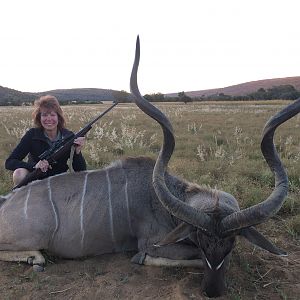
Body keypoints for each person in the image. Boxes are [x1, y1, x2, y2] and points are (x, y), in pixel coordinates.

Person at [5, 95, 87, 186]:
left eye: (52, 115)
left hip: (59, 180)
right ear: (39, 118)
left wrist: (77, 152)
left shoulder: (68, 136)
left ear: (58, 117)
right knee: (19, 173)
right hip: (36, 180)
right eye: (44, 115)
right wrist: (34, 166)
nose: (49, 119)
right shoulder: (32, 135)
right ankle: (22, 198)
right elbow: (10, 162)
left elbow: (81, 171)